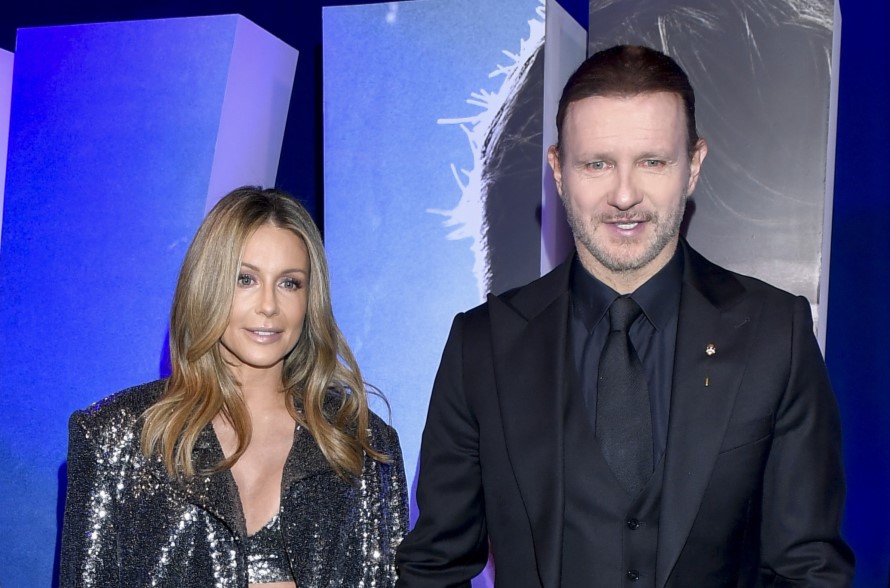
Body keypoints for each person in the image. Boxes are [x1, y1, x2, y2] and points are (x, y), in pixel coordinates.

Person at [396, 45, 853, 586]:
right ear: (558, 170)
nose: (624, 195)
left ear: (693, 165)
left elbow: (808, 570)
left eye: (652, 162)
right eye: (597, 164)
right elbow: (434, 568)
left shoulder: (776, 334)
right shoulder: (482, 345)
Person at [60, 187, 408, 587]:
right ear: (207, 286)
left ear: (310, 298)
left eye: (289, 283)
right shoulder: (116, 438)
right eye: (246, 279)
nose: (269, 306)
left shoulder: (361, 444)